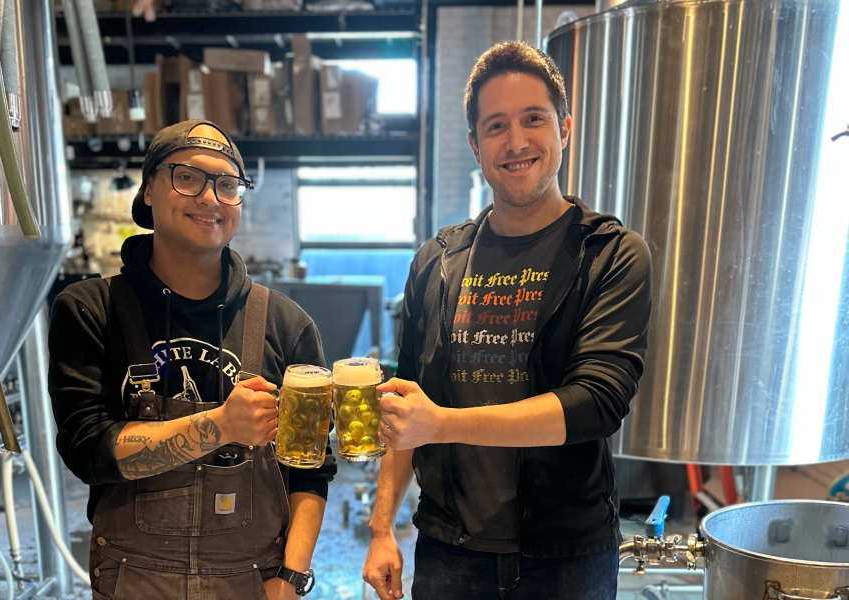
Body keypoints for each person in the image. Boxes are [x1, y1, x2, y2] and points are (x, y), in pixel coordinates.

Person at [362, 42, 652, 600]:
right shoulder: (438, 261)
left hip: (567, 561)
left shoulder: (609, 253)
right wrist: (381, 529)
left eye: (533, 119)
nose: (516, 141)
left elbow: (597, 403)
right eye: (496, 126)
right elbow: (406, 405)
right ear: (475, 145)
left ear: (564, 129)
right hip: (450, 553)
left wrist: (441, 424)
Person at [48, 120, 335, 599]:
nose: (209, 198)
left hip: (254, 582)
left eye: (227, 185)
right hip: (133, 582)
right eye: (187, 177)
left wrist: (292, 577)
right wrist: (221, 425)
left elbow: (312, 467)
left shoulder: (287, 324)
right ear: (147, 192)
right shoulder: (90, 309)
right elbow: (87, 451)